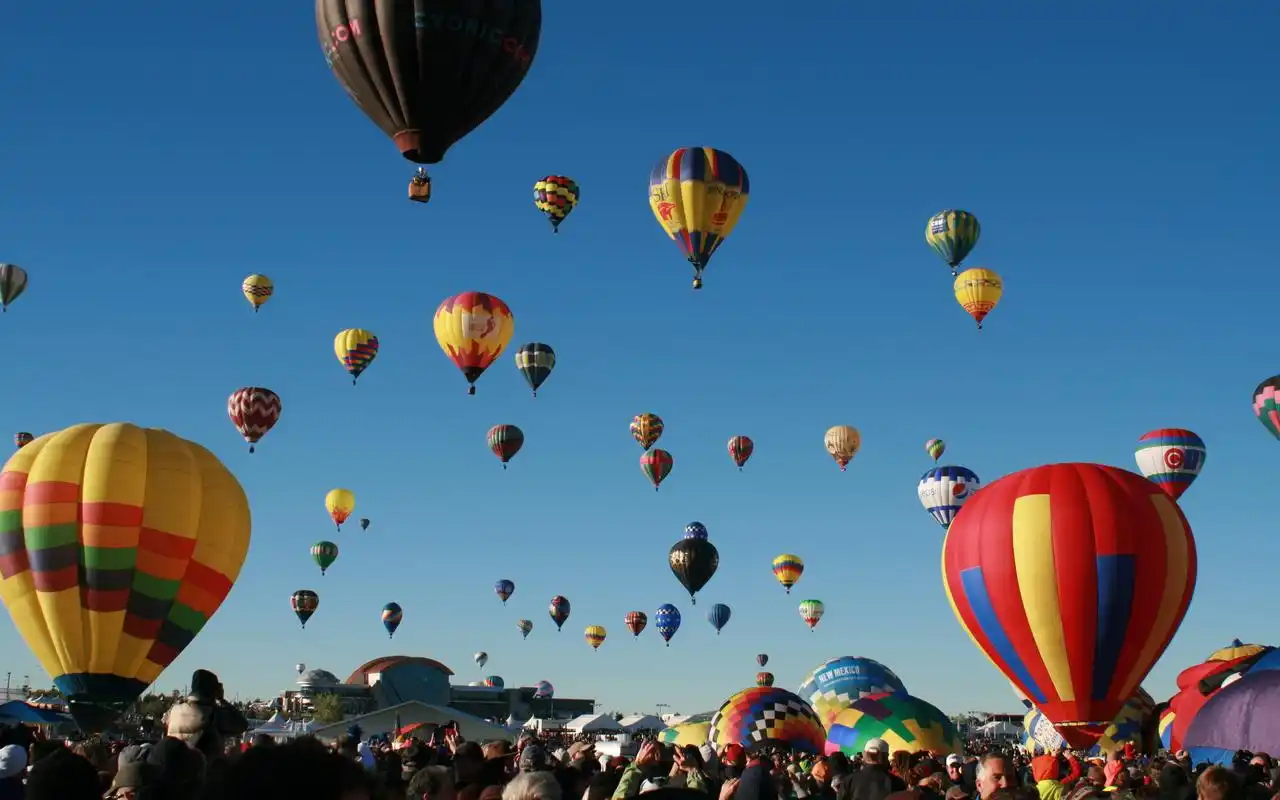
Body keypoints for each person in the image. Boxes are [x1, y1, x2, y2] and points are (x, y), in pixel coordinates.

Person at [164, 669, 249, 759]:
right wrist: (221, 699)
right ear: (214, 690)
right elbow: (242, 725)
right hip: (203, 765)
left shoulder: (173, 710)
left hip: (174, 763)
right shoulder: (216, 713)